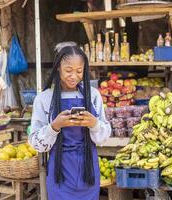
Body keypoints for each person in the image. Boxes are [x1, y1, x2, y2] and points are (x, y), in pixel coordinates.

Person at [29, 42, 111, 200]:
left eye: (79, 71)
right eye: (68, 70)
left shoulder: (93, 96)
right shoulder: (44, 99)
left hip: (88, 171)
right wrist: (54, 127)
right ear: (58, 67)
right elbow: (35, 142)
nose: (74, 76)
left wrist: (94, 124)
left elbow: (104, 136)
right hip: (60, 172)